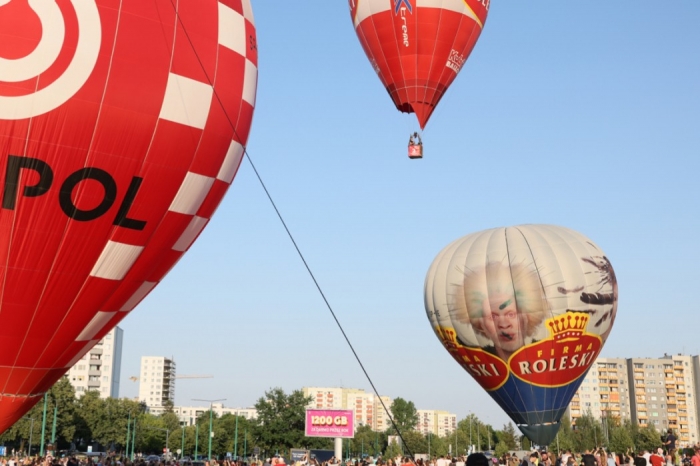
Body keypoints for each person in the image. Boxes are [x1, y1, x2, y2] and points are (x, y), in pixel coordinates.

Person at [452, 261, 548, 361]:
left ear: (527, 316)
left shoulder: (549, 349)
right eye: (493, 317)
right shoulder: (476, 357)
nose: (503, 324)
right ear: (482, 325)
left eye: (511, 314)